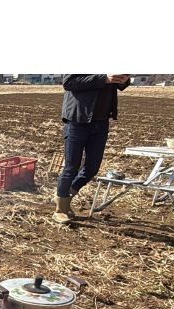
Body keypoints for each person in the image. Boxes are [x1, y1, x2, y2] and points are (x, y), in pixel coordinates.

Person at [54, 74, 131, 223]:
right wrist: (104, 79)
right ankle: (60, 210)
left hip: (101, 122)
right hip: (77, 119)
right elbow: (69, 82)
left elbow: (121, 86)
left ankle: (65, 197)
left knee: (92, 168)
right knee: (71, 167)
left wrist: (124, 78)